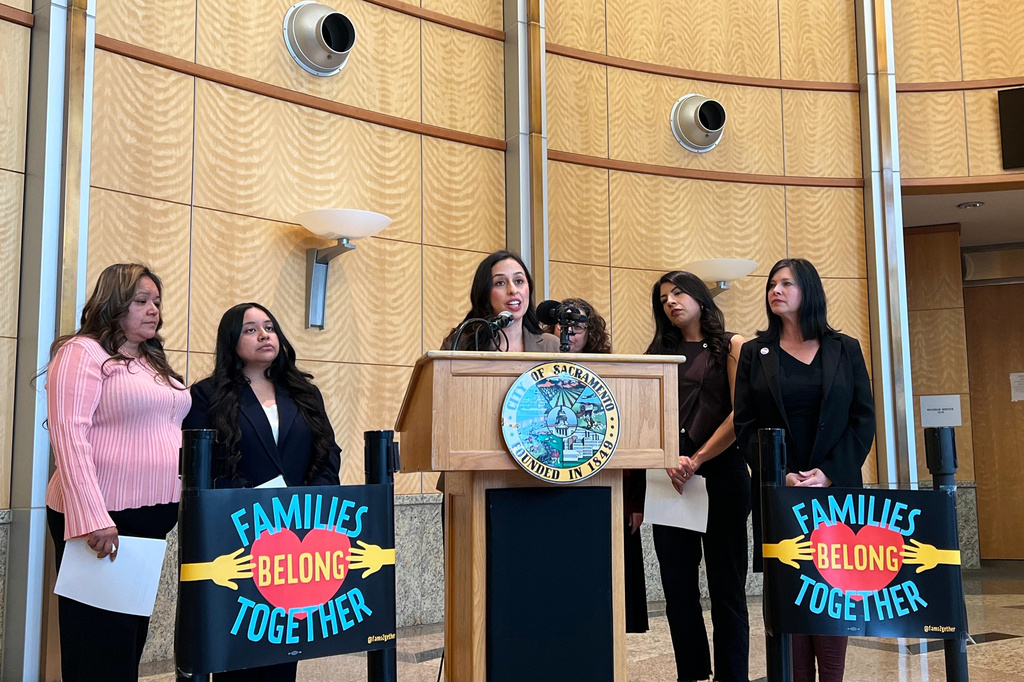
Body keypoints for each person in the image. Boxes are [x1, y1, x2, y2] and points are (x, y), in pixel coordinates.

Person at [44, 263, 190, 681]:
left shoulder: (149, 360)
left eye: (156, 302)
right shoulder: (82, 352)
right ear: (113, 304)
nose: (153, 311)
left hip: (151, 519)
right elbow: (69, 435)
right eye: (141, 301)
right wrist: (92, 517)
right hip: (105, 519)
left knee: (127, 640)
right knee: (97, 646)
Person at [183, 302, 341, 681]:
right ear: (230, 341)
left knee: (285, 641)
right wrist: (256, 506)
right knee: (242, 640)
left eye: (269, 326)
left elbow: (327, 453)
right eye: (250, 329)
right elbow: (207, 467)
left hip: (298, 535)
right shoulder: (207, 395)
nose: (264, 335)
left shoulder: (304, 391)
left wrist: (308, 504)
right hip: (240, 534)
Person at [734, 258, 874, 682]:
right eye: (772, 284)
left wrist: (829, 473)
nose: (775, 290)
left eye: (786, 283)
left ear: (808, 290)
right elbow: (745, 425)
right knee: (791, 594)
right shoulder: (755, 353)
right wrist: (782, 473)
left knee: (835, 593)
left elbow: (862, 419)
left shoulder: (844, 348)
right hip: (781, 494)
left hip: (836, 494)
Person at [645, 271, 751, 682]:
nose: (671, 302)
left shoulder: (732, 345)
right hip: (670, 478)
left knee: (727, 590)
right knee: (678, 591)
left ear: (700, 296)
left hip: (720, 475)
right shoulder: (657, 352)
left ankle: (732, 675)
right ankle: (691, 673)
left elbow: (741, 413)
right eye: (663, 298)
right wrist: (670, 458)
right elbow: (647, 414)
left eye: (678, 293)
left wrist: (698, 457)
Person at [549, 298, 648, 633]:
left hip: (607, 489)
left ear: (591, 332)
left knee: (609, 583)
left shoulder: (611, 370)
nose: (570, 333)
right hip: (553, 487)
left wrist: (634, 502)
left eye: (578, 327)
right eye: (564, 326)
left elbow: (631, 441)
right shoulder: (540, 367)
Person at [441, 250, 559, 353]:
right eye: (500, 283)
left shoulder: (551, 346)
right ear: (485, 293)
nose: (513, 290)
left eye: (518, 281)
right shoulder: (459, 345)